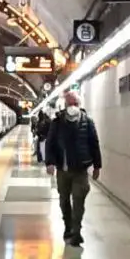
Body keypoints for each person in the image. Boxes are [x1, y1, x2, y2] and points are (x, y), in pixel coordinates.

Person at [45, 91, 102, 246]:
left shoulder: (87, 122)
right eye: (69, 104)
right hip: (63, 170)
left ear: (80, 105)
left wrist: (97, 166)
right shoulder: (57, 122)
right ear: (64, 105)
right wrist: (49, 162)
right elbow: (50, 143)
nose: (72, 107)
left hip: (80, 171)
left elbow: (94, 144)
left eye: (75, 104)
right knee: (64, 200)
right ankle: (68, 226)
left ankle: (76, 232)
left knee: (78, 201)